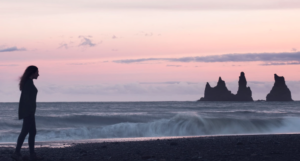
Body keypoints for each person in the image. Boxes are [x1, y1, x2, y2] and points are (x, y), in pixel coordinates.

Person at [11, 66, 43, 161]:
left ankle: (32, 155)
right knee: (25, 132)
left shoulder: (29, 82)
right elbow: (26, 100)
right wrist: (29, 112)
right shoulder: (28, 84)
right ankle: (16, 153)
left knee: (32, 132)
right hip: (28, 112)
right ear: (32, 73)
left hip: (29, 112)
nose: (38, 74)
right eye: (37, 72)